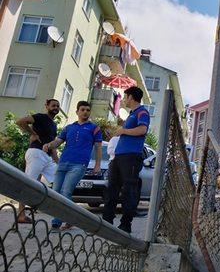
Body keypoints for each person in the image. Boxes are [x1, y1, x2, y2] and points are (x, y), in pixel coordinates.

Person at [43, 101, 102, 230]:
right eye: (83, 109)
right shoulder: (68, 128)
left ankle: (57, 221)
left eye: (87, 110)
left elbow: (98, 147)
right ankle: (70, 219)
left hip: (79, 165)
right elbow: (58, 142)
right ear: (77, 112)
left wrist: (97, 164)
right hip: (63, 163)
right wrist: (48, 145)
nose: (85, 112)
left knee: (66, 191)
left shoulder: (94, 128)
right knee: (56, 192)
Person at [105, 86, 149, 233]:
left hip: (131, 156)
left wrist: (123, 130)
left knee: (128, 190)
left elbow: (143, 129)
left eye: (125, 96)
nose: (124, 99)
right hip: (119, 156)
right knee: (112, 188)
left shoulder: (142, 112)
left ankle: (125, 224)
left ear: (131, 97)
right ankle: (106, 221)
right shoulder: (131, 114)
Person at [15, 99, 60, 224]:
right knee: (27, 183)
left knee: (59, 180)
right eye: (53, 105)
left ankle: (58, 212)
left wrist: (58, 162)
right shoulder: (40, 117)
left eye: (57, 106)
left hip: (47, 157)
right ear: (47, 106)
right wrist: (32, 133)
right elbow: (20, 121)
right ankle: (21, 214)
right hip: (36, 153)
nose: (55, 107)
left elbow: (53, 145)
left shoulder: (54, 124)